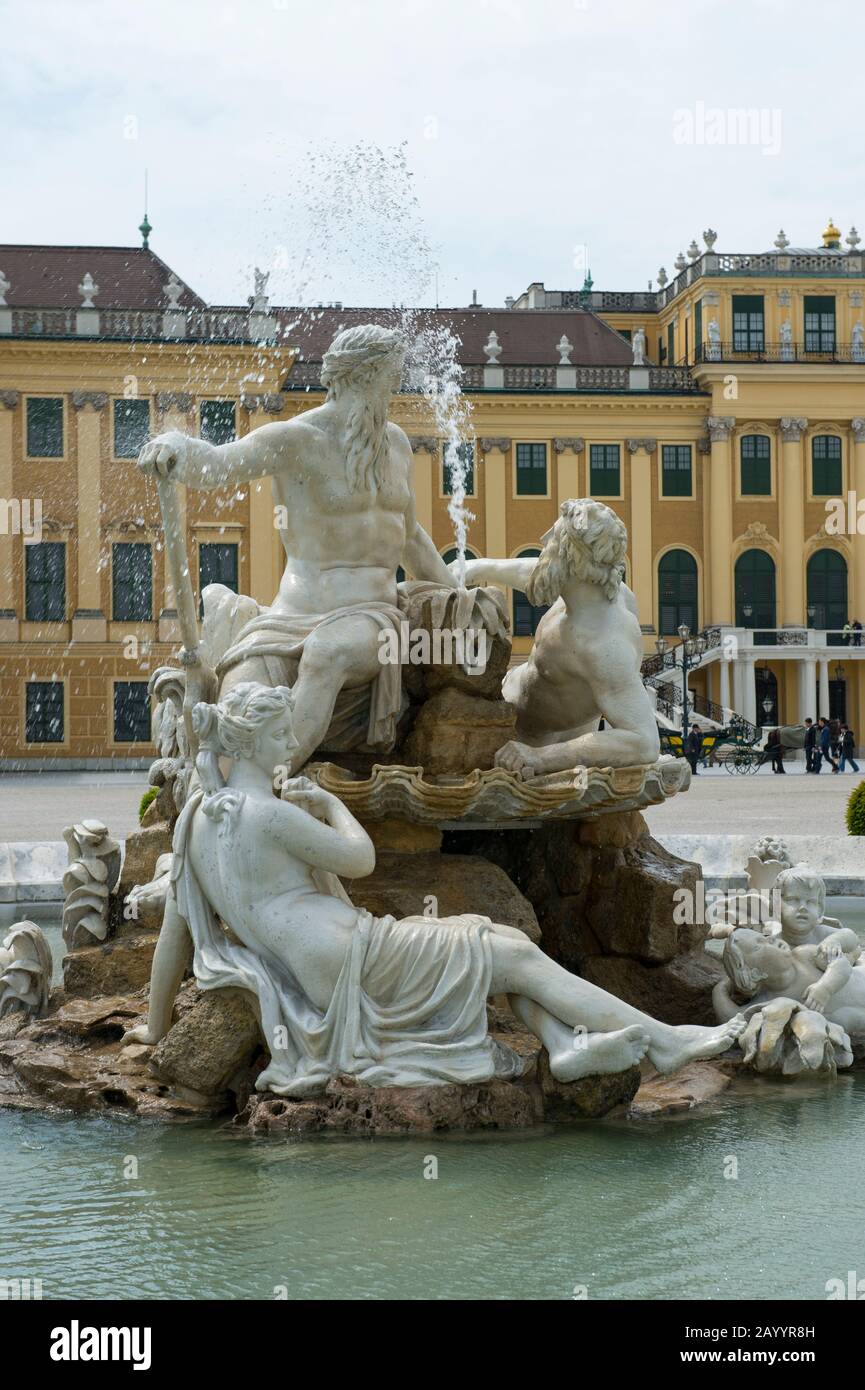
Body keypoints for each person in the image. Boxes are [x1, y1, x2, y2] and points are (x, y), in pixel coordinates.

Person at [125, 681, 745, 1092]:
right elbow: (360, 860)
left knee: (491, 942)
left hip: (330, 963)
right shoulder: (273, 814)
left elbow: (173, 939)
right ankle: (665, 1041)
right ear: (255, 743)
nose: (293, 743)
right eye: (283, 735)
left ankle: (561, 1043)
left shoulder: (196, 822)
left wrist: (155, 1028)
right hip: (351, 959)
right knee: (512, 952)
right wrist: (330, 805)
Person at [454, 500, 661, 775]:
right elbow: (537, 571)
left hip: (529, 739)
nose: (542, 540)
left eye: (552, 538)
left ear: (571, 555)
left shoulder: (606, 646)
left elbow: (644, 742)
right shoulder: (588, 589)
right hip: (507, 698)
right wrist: (476, 568)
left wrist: (541, 757)